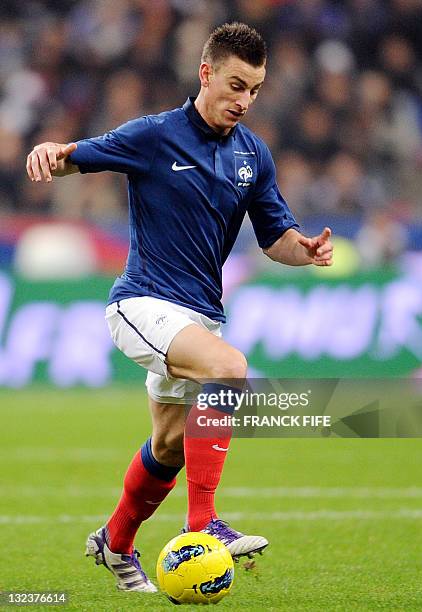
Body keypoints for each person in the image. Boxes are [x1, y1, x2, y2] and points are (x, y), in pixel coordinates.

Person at [26, 22, 333, 594]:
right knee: (229, 368)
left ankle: (115, 542)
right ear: (206, 73)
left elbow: (275, 237)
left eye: (256, 90)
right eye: (236, 85)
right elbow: (79, 156)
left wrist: (305, 251)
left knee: (169, 447)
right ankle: (203, 523)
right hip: (141, 304)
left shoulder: (253, 154)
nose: (244, 101)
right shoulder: (155, 135)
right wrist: (52, 151)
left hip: (199, 316)